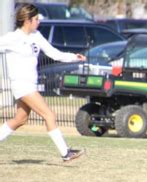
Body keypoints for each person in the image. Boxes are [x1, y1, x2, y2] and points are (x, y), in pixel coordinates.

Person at [0, 3, 86, 162]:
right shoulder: (12, 38)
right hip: (21, 85)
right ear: (27, 20)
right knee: (49, 115)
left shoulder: (36, 35)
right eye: (36, 19)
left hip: (29, 85)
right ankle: (65, 153)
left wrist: (74, 56)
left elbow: (54, 53)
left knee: (20, 119)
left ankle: (66, 153)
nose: (38, 22)